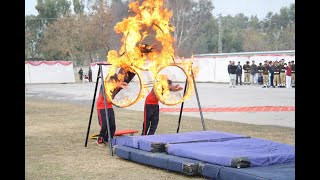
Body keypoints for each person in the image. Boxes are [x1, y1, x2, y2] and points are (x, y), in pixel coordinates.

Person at [96, 74, 128, 146]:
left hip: (109, 106)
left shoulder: (114, 86)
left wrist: (120, 85)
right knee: (104, 125)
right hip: (101, 107)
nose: (115, 82)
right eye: (114, 81)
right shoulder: (104, 85)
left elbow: (113, 94)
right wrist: (118, 85)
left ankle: (107, 139)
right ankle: (100, 139)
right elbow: (105, 94)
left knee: (112, 126)